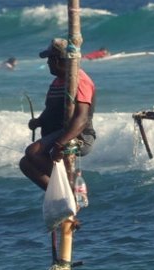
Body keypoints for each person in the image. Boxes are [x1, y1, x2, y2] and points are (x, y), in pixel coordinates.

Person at [20, 39, 97, 190]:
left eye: (49, 59)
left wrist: (60, 144)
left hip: (79, 136)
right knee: (26, 164)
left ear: (56, 60)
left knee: (33, 152)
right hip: (59, 134)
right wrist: (39, 121)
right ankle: (60, 194)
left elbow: (81, 118)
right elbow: (51, 109)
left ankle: (71, 186)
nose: (47, 63)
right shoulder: (58, 81)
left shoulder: (80, 80)